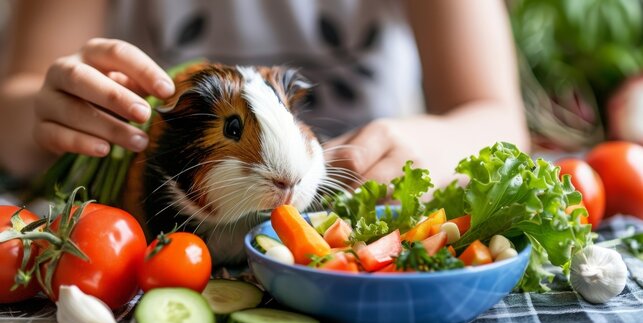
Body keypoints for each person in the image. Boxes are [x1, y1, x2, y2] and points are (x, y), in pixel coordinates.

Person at [0, 0, 529, 188]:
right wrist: (47, 115)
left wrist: (437, 146)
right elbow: (14, 108)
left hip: (348, 193)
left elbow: (499, 121)